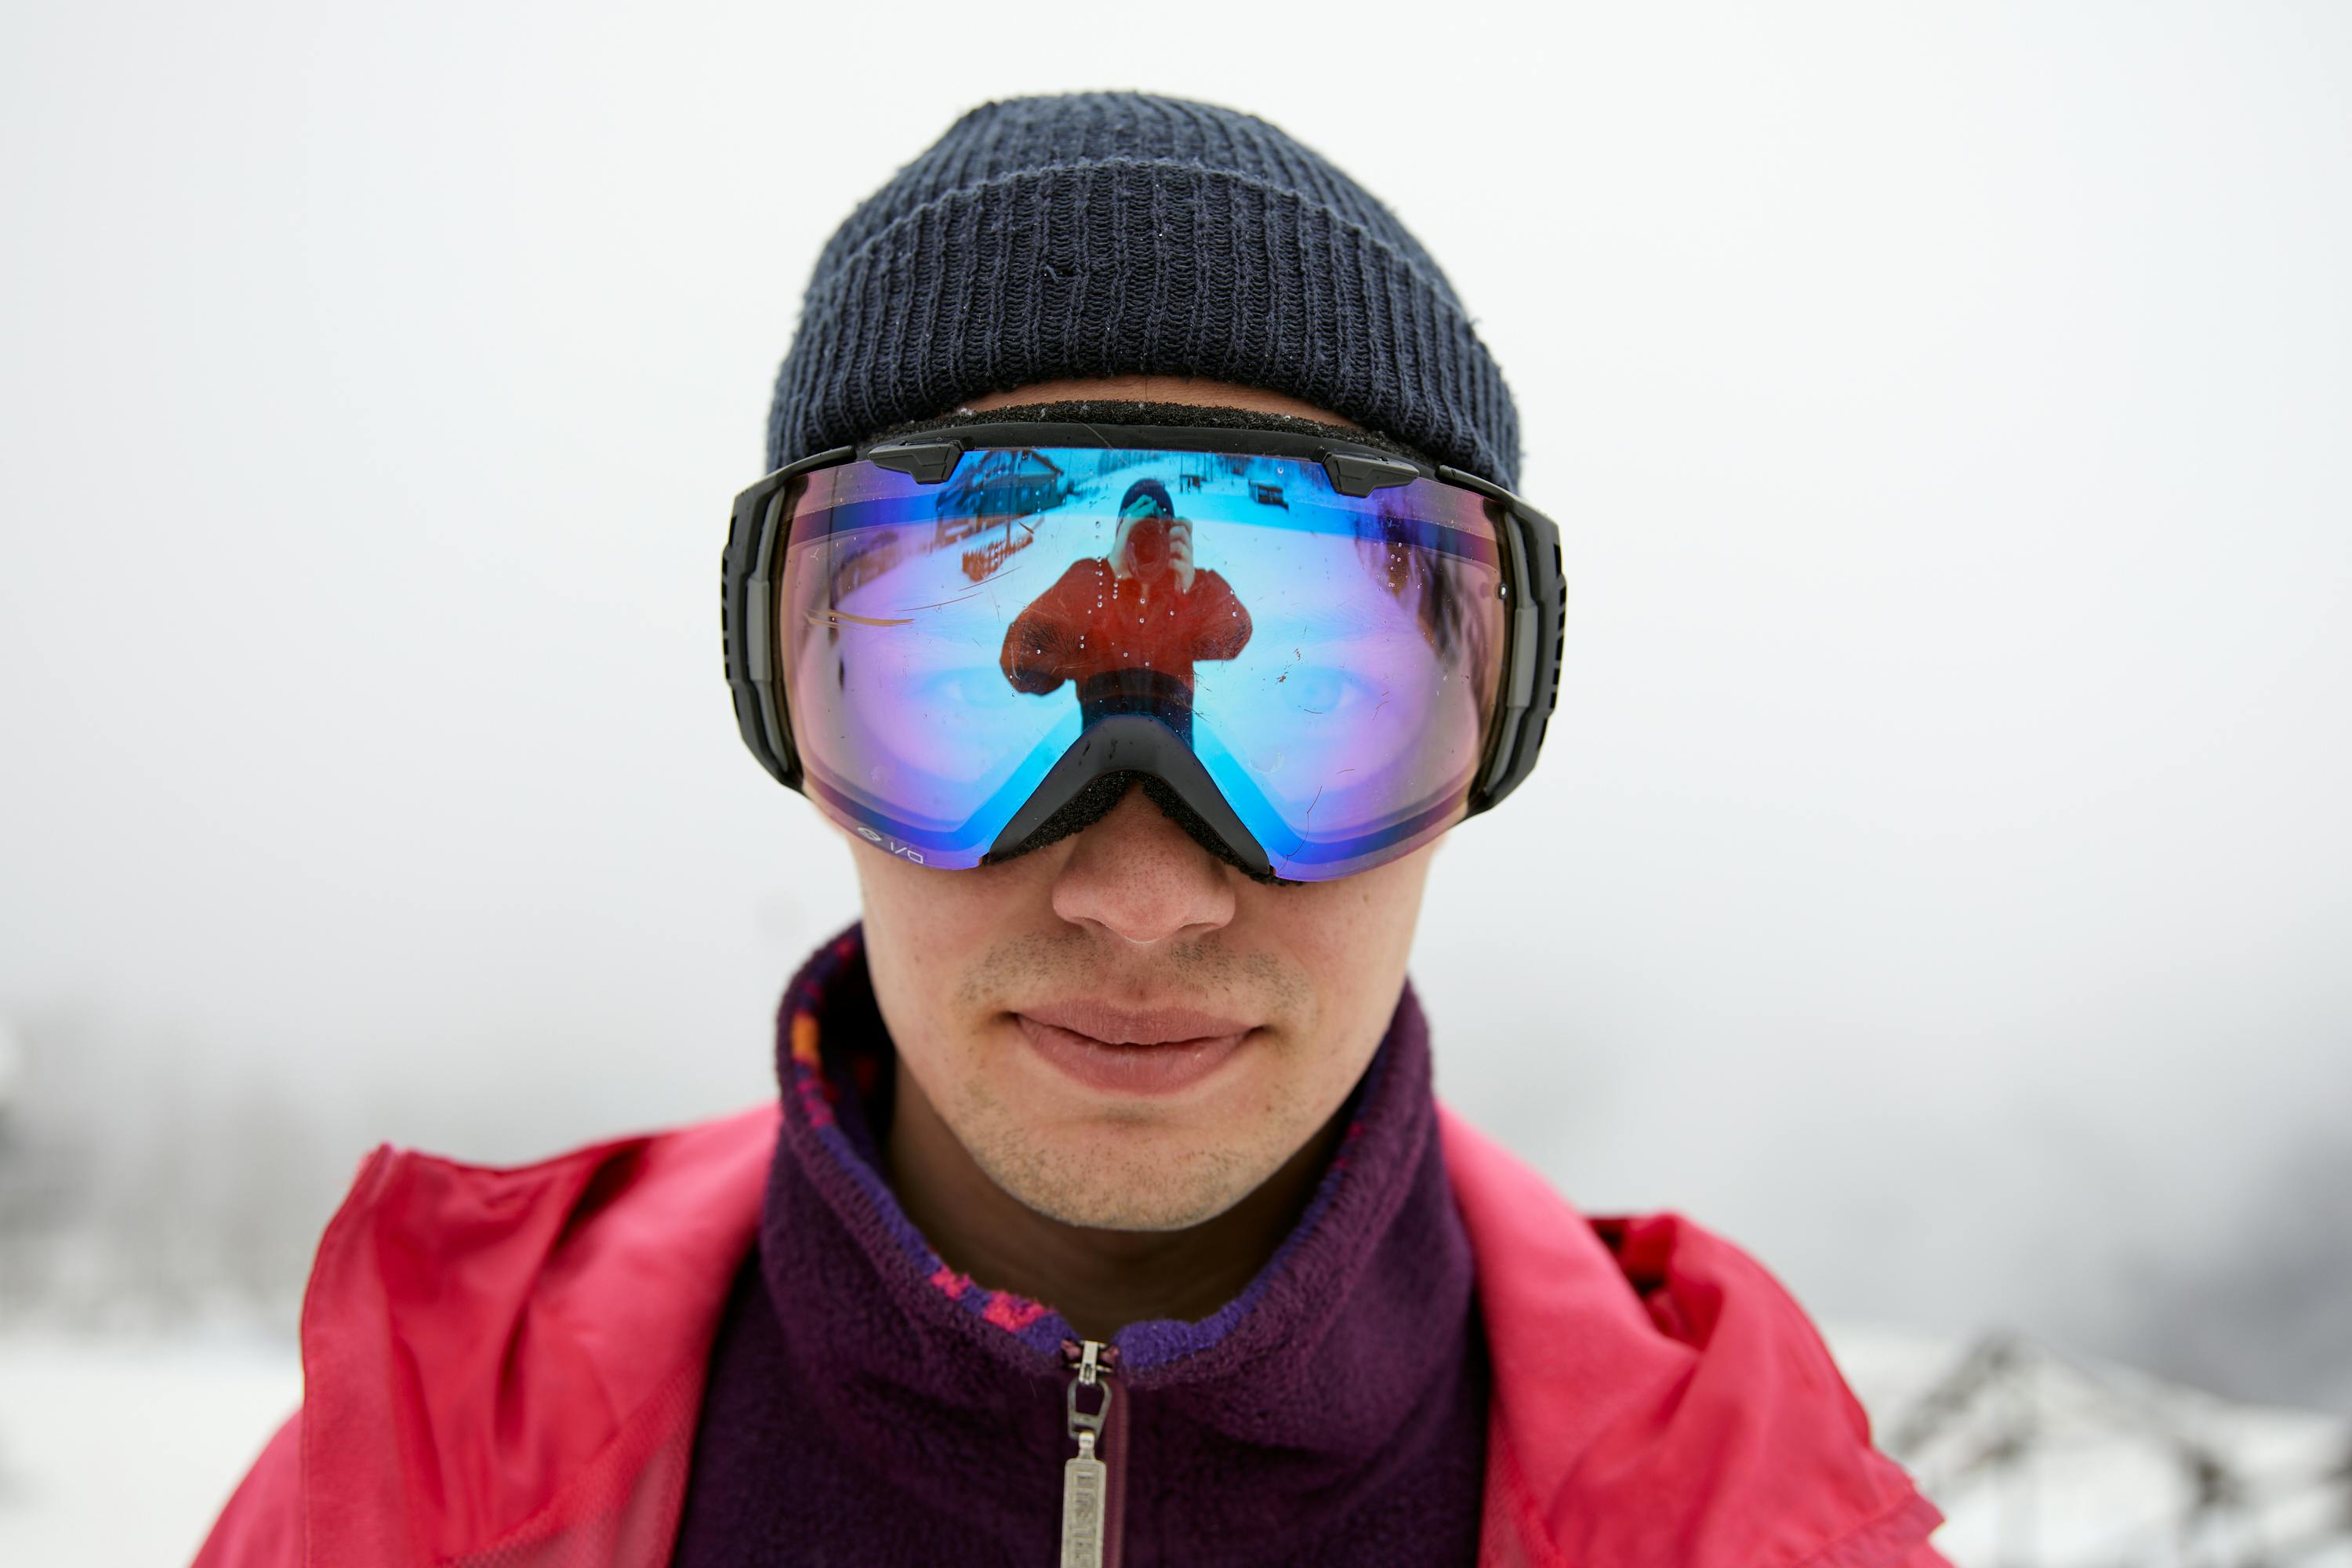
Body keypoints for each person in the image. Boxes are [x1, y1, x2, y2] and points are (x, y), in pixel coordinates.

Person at [195, 93, 1951, 1566]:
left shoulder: (1754, 1518)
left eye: (1328, 715)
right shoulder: (428, 1481)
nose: (1140, 888)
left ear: (1491, 729)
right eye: (961, 707)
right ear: (791, 708)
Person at [1000, 477, 1254, 740]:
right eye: (1138, 533)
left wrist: (1194, 587)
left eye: (1158, 534)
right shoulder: (1091, 582)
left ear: (1175, 537)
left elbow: (1235, 636)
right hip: (1100, 765)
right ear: (1120, 534)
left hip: (1172, 768)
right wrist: (1105, 573)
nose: (1148, 546)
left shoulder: (1185, 591)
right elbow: (1022, 670)